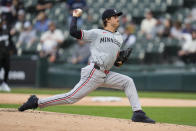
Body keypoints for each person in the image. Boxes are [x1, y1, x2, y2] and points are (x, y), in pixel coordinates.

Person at [18, 8, 155, 124]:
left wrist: (120, 61)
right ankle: (37, 102)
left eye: (118, 16)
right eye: (115, 16)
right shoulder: (96, 33)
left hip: (106, 73)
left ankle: (138, 113)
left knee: (128, 81)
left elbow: (115, 62)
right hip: (94, 72)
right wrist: (75, 17)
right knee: (71, 98)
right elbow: (73, 32)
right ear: (107, 20)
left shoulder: (119, 37)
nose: (117, 18)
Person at [0, 15, 11, 92]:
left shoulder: (6, 30)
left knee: (7, 68)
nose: (3, 23)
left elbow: (10, 40)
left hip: (6, 53)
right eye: (2, 22)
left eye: (4, 22)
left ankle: (4, 83)